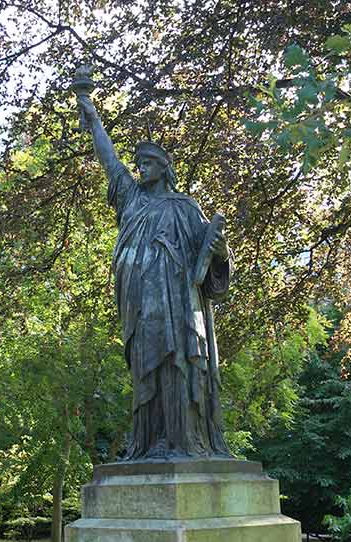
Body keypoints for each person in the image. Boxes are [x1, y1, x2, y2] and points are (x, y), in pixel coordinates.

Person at [73, 71, 232, 460]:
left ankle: (184, 442)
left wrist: (222, 253)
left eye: (147, 163)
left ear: (164, 168)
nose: (140, 168)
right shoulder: (131, 202)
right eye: (139, 163)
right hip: (141, 304)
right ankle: (151, 443)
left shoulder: (185, 208)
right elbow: (108, 161)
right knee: (146, 373)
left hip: (178, 304)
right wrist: (90, 112)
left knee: (178, 368)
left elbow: (210, 270)